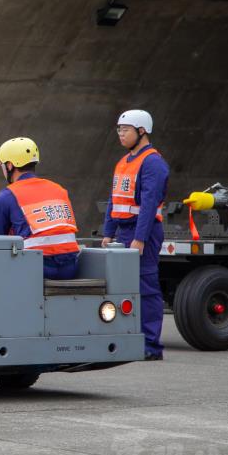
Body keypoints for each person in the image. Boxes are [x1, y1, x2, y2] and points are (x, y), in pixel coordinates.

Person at [101, 109, 169, 361]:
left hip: (145, 232)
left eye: (125, 129)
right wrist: (108, 232)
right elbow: (113, 200)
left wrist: (139, 238)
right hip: (124, 230)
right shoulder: (124, 161)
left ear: (142, 131)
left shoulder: (152, 162)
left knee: (146, 286)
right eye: (119, 129)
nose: (120, 134)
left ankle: (151, 345)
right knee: (125, 286)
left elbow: (149, 204)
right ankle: (132, 339)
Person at [0, 137, 80, 280]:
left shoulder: (6, 197)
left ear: (10, 165)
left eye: (2, 165)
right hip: (71, 267)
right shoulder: (59, 190)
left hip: (37, 268)